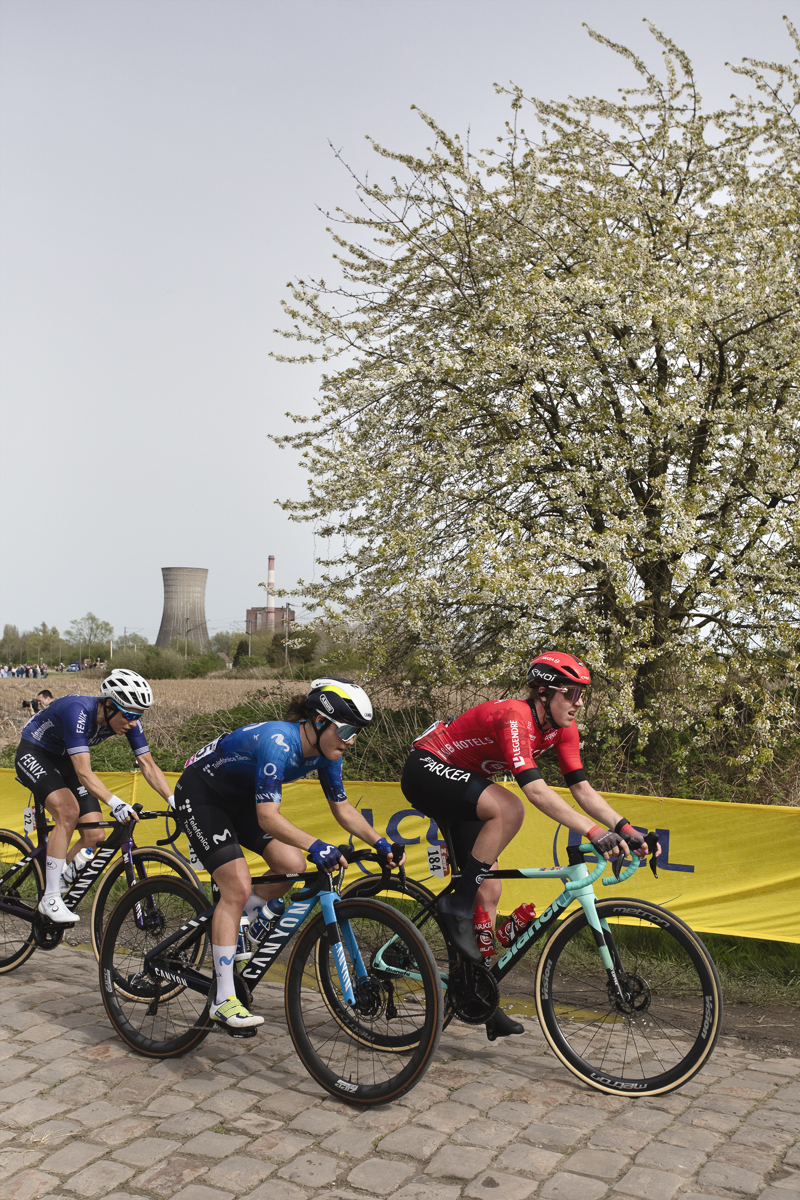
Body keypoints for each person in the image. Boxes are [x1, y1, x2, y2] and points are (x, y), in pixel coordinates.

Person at [401, 651, 657, 1038]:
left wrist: (625, 827)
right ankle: (453, 904)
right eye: (571, 693)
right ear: (543, 692)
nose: (579, 702)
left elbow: (582, 790)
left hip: (463, 783)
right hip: (427, 769)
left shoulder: (562, 728)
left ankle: (475, 998)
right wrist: (594, 833)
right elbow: (536, 791)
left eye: (582, 694)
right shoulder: (515, 717)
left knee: (488, 891)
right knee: (510, 808)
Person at [173, 676, 404, 1032]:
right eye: (346, 731)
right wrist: (316, 844)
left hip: (238, 800)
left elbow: (343, 809)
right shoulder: (279, 742)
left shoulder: (328, 755)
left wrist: (380, 843)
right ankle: (222, 998)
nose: (351, 741)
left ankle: (239, 923)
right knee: (235, 885)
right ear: (319, 720)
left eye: (356, 732)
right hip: (201, 794)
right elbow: (268, 816)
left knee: (291, 865)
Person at [14, 669, 175, 924]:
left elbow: (147, 764)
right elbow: (84, 772)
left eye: (139, 716)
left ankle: (57, 884)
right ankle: (51, 897)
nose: (134, 722)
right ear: (109, 705)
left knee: (94, 835)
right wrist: (116, 802)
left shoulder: (126, 718)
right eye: (130, 715)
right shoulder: (77, 710)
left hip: (64, 760)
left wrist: (173, 800)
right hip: (35, 753)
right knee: (67, 812)